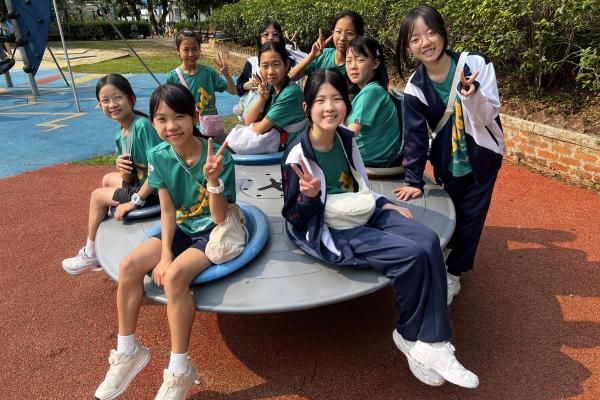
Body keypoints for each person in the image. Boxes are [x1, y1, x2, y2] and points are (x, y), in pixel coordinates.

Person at [281, 68, 479, 388]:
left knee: (428, 240)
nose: (329, 107)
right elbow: (294, 218)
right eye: (320, 101)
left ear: (347, 104)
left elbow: (358, 183)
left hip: (362, 210)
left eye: (336, 99)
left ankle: (430, 344)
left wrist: (385, 204)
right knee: (411, 254)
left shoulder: (345, 138)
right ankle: (416, 337)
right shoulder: (298, 156)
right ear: (307, 108)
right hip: (331, 229)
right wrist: (311, 199)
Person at [94, 83, 237, 400]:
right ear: (153, 122)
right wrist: (165, 254)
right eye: (161, 119)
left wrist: (213, 180)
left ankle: (180, 370)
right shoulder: (159, 155)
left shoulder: (218, 158)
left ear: (195, 117)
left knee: (174, 278)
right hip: (183, 225)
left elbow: (218, 218)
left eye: (179, 117)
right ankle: (128, 351)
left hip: (214, 229)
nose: (171, 126)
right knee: (129, 265)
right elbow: (168, 209)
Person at [393, 5, 504, 305]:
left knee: (472, 218)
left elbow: (487, 116)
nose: (425, 42)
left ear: (443, 33)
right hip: (448, 162)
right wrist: (413, 180)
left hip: (483, 158)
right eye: (415, 38)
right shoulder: (415, 88)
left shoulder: (475, 64)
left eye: (430, 33)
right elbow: (415, 137)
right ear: (408, 46)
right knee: (451, 211)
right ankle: (448, 251)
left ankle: (454, 273)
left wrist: (473, 94)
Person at [62, 74, 161, 275]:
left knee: (97, 196)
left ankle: (91, 254)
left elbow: (160, 169)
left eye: (117, 98)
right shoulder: (121, 134)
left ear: (131, 99)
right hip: (141, 184)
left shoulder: (141, 126)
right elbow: (128, 179)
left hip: (155, 190)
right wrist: (122, 170)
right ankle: (113, 236)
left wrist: (135, 202)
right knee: (108, 179)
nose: (112, 104)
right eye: (105, 101)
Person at [345, 36, 401, 167]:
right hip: (379, 162)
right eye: (348, 61)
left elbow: (349, 135)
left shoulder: (371, 91)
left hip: (370, 165)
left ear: (375, 63)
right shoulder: (376, 90)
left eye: (360, 60)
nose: (353, 66)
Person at [244, 40, 307, 145]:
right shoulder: (270, 87)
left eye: (276, 64)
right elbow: (248, 122)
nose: (270, 72)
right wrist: (261, 98)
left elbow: (260, 128)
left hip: (290, 149)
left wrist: (254, 125)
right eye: (265, 66)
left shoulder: (290, 93)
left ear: (286, 65)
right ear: (259, 68)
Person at [165, 29, 236, 116]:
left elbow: (233, 91)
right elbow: (170, 106)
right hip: (187, 123)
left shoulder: (209, 73)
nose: (191, 54)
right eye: (186, 50)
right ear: (178, 50)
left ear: (199, 49)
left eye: (195, 49)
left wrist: (227, 74)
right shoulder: (173, 77)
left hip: (209, 123)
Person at [288, 10, 363, 80]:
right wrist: (312, 56)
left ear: (359, 36)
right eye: (338, 32)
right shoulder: (323, 55)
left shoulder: (361, 65)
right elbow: (290, 78)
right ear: (333, 33)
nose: (342, 38)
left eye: (349, 33)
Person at [235, 19, 284, 111]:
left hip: (280, 112)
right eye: (266, 34)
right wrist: (246, 86)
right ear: (260, 39)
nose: (270, 38)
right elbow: (237, 89)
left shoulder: (289, 62)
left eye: (275, 34)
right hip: (256, 114)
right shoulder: (252, 63)